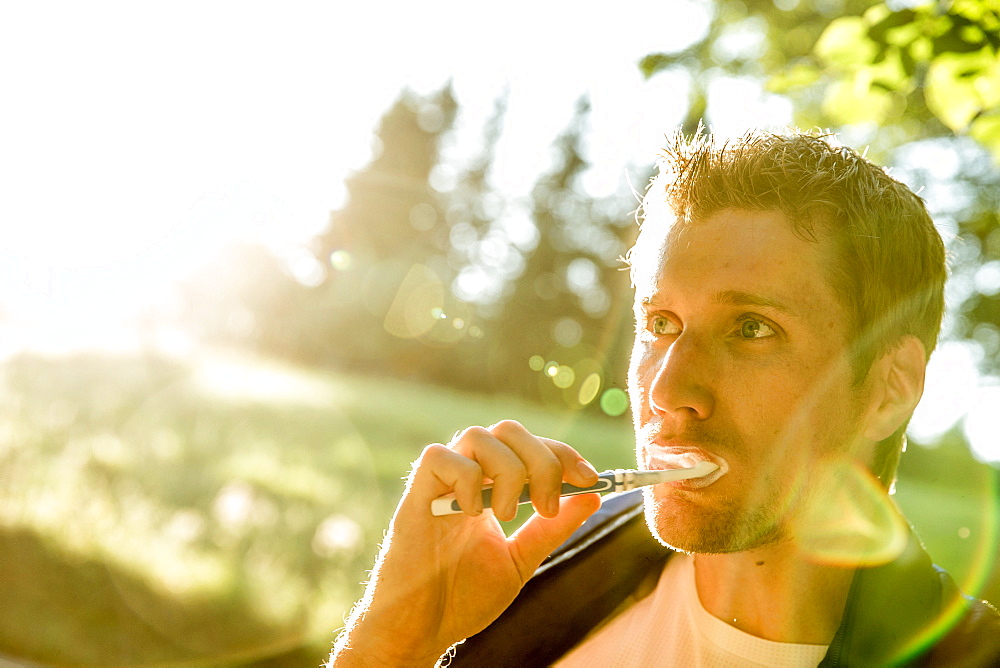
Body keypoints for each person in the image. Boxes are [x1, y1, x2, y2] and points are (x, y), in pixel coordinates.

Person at [328, 129, 1000, 666]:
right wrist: (392, 646)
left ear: (889, 390)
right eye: (660, 324)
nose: (668, 390)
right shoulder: (537, 572)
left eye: (751, 329)